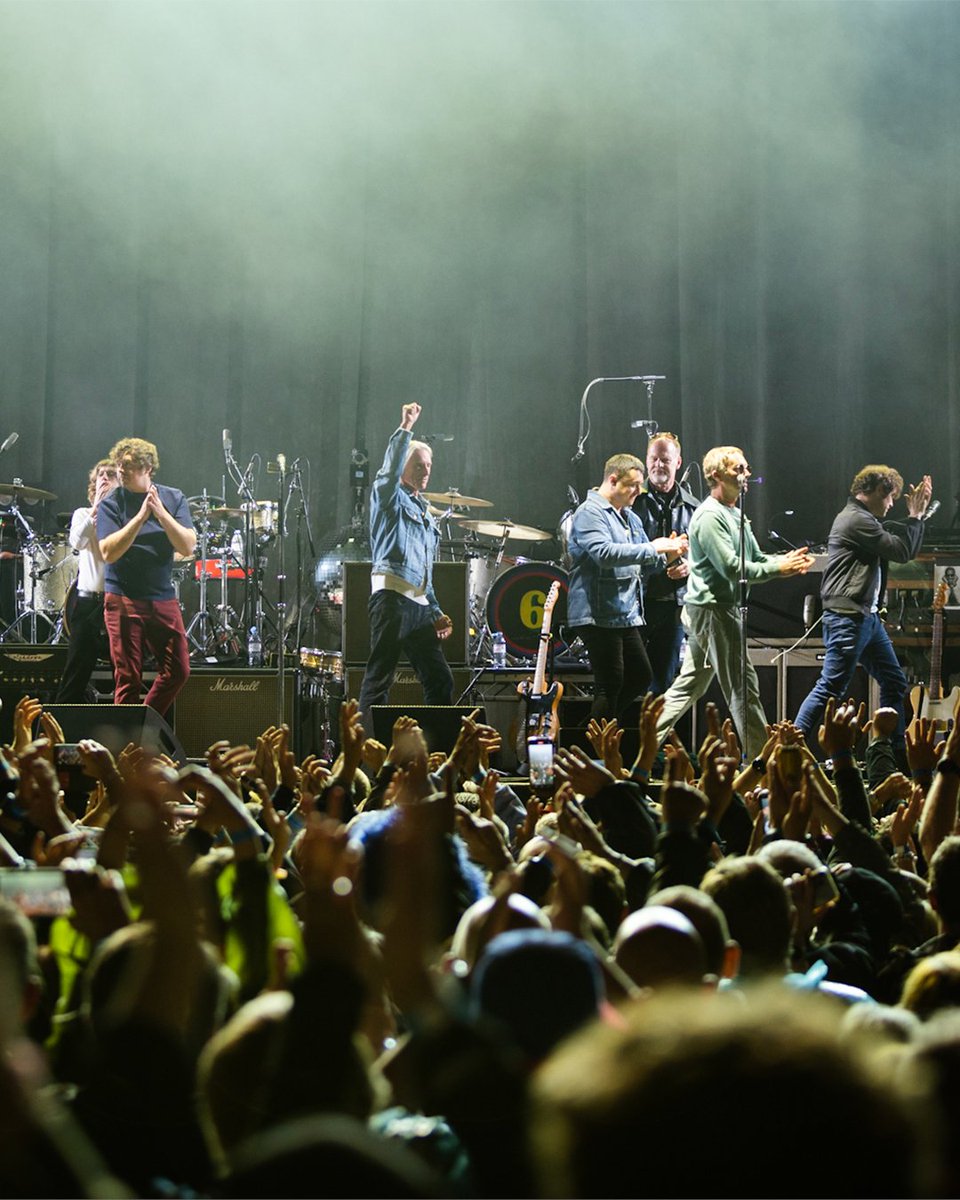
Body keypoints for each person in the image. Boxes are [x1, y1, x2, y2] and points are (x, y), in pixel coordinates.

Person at [655, 445, 814, 759]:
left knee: (690, 686)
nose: (746, 476)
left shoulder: (735, 514)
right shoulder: (710, 517)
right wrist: (778, 568)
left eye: (746, 469)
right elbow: (731, 567)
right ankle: (763, 764)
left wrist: (783, 562)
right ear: (715, 475)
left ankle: (640, 747)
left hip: (713, 610)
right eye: (738, 470)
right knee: (743, 687)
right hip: (713, 610)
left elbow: (753, 558)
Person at [794, 465, 931, 750]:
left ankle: (890, 752)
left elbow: (900, 543)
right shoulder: (855, 520)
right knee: (830, 686)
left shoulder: (863, 519)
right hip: (848, 618)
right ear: (878, 490)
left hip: (865, 619)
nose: (892, 504)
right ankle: (787, 747)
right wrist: (916, 516)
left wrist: (913, 520)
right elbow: (901, 551)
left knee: (893, 682)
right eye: (890, 497)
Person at [566, 453, 687, 722]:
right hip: (596, 614)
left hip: (624, 614)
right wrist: (654, 547)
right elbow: (604, 554)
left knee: (641, 676)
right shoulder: (589, 513)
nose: (638, 491)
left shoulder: (630, 518)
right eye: (632, 485)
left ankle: (591, 734)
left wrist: (671, 554)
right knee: (610, 684)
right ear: (612, 480)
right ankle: (591, 748)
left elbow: (647, 561)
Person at [358, 404, 453, 728]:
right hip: (392, 601)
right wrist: (405, 428)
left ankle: (433, 753)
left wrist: (436, 610)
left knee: (440, 678)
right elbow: (386, 475)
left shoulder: (426, 512)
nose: (425, 471)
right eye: (418, 464)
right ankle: (367, 755)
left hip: (418, 605)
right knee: (380, 680)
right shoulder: (389, 497)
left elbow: (424, 571)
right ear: (402, 466)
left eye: (428, 465)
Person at [96, 437, 196, 717]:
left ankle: (142, 722)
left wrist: (160, 513)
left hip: (162, 596)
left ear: (148, 467)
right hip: (123, 597)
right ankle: (124, 746)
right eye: (118, 465)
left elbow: (187, 546)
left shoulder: (173, 498)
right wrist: (140, 518)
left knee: (178, 670)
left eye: (127, 466)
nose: (120, 471)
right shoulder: (111, 503)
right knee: (128, 678)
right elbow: (108, 551)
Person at [633, 433, 699, 694]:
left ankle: (655, 735)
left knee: (662, 683)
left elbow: (706, 556)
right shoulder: (632, 500)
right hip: (635, 603)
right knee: (631, 679)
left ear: (678, 462)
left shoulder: (694, 507)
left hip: (674, 605)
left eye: (665, 460)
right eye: (654, 459)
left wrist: (690, 566)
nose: (658, 465)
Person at [55, 460, 117, 702]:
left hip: (116, 603)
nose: (104, 478)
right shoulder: (83, 514)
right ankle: (56, 731)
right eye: (100, 475)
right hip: (88, 603)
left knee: (123, 673)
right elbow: (78, 542)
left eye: (110, 474)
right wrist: (96, 509)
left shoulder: (126, 518)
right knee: (75, 674)